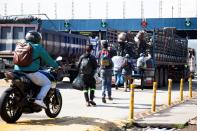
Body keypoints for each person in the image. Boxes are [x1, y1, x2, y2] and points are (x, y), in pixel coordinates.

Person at [14, 30, 59, 109]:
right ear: (37, 39)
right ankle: (39, 99)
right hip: (30, 73)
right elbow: (48, 60)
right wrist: (56, 66)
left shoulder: (19, 46)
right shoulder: (37, 47)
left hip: (17, 72)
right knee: (47, 83)